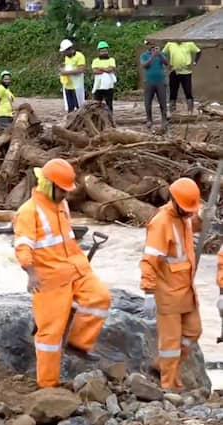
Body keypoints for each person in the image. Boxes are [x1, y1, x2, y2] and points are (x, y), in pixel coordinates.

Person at [13, 159, 111, 388]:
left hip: (77, 269)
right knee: (50, 335)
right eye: (63, 190)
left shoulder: (61, 206)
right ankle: (48, 385)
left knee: (100, 298)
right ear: (49, 185)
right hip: (50, 279)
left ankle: (78, 344)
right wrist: (31, 272)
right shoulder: (28, 211)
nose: (66, 195)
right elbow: (23, 245)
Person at [140, 177, 202, 390]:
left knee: (193, 332)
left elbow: (191, 226)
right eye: (187, 210)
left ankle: (162, 367)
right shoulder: (161, 223)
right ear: (174, 201)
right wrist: (148, 292)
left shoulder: (184, 216)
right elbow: (150, 259)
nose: (189, 213)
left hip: (186, 290)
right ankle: (168, 386)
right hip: (166, 293)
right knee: (170, 344)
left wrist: (203, 218)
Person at [162, 41, 201, 114]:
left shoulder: (189, 43)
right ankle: (172, 111)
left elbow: (199, 52)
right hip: (174, 72)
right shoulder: (170, 44)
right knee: (173, 92)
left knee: (188, 91)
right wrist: (167, 63)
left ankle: (190, 110)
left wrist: (195, 62)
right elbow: (162, 54)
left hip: (186, 72)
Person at [140, 40, 170, 132]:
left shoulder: (161, 54)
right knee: (148, 101)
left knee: (163, 101)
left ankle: (164, 120)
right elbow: (145, 65)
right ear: (147, 46)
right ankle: (149, 119)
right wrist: (152, 56)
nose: (152, 46)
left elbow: (166, 63)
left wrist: (159, 54)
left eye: (153, 44)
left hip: (160, 81)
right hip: (149, 81)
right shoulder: (144, 55)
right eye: (150, 45)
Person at [59, 40, 86, 113]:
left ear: (69, 49)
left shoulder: (79, 56)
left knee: (78, 107)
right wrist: (63, 71)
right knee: (70, 107)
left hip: (76, 87)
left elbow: (81, 69)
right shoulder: (67, 58)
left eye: (65, 52)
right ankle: (71, 122)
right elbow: (69, 68)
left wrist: (66, 72)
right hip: (68, 85)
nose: (64, 54)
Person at [91, 41, 117, 113]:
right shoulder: (95, 60)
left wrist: (100, 68)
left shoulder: (111, 60)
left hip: (109, 86)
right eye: (102, 51)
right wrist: (106, 69)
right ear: (99, 52)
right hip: (98, 86)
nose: (104, 53)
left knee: (109, 103)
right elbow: (94, 71)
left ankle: (110, 118)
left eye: (105, 51)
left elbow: (111, 69)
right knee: (97, 103)